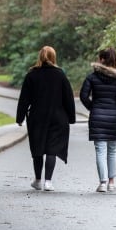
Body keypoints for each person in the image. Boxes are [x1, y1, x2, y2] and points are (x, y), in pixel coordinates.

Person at [16, 46, 76, 192]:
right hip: (57, 117)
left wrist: (20, 117)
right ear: (54, 57)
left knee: (38, 149)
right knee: (51, 149)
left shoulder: (31, 75)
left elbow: (24, 98)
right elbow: (68, 98)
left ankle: (37, 180)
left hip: (37, 117)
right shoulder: (60, 75)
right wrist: (71, 117)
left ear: (40, 57)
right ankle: (48, 181)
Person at [80, 47, 116, 193]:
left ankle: (102, 183)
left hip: (97, 116)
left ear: (101, 59)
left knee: (100, 150)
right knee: (112, 151)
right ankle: (112, 183)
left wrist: (93, 108)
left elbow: (83, 96)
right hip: (113, 116)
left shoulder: (92, 77)